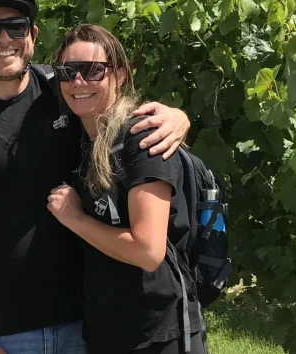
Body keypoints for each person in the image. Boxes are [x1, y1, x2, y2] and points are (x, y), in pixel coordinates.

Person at [0, 0, 191, 354]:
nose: (4, 40)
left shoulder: (67, 90)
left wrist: (175, 117)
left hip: (87, 329)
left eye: (15, 27)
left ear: (33, 35)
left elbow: (121, 114)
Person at [47, 24, 207, 354]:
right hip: (106, 330)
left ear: (119, 75)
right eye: (67, 71)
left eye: (93, 71)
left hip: (158, 333)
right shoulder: (82, 139)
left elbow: (147, 252)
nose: (78, 82)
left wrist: (75, 219)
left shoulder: (143, 140)